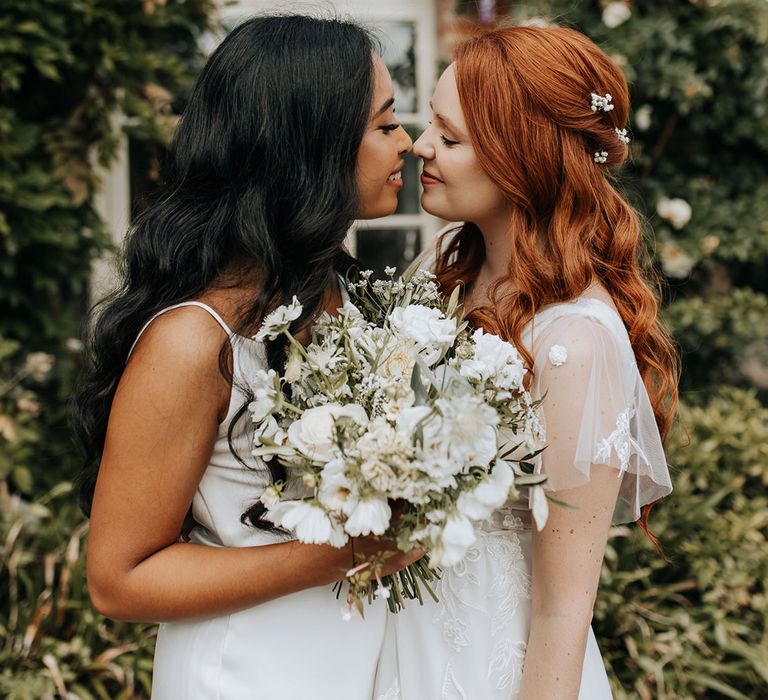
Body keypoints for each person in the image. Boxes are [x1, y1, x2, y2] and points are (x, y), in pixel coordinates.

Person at [74, 15, 417, 700]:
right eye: (384, 125)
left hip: (358, 659)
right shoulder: (191, 342)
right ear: (311, 146)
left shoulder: (347, 302)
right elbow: (119, 580)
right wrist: (341, 557)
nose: (407, 144)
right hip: (248, 670)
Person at [375, 25, 678, 700]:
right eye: (430, 127)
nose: (421, 147)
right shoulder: (442, 274)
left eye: (449, 139)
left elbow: (562, 609)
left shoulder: (577, 340)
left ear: (525, 159)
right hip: (391, 643)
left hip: (494, 666)